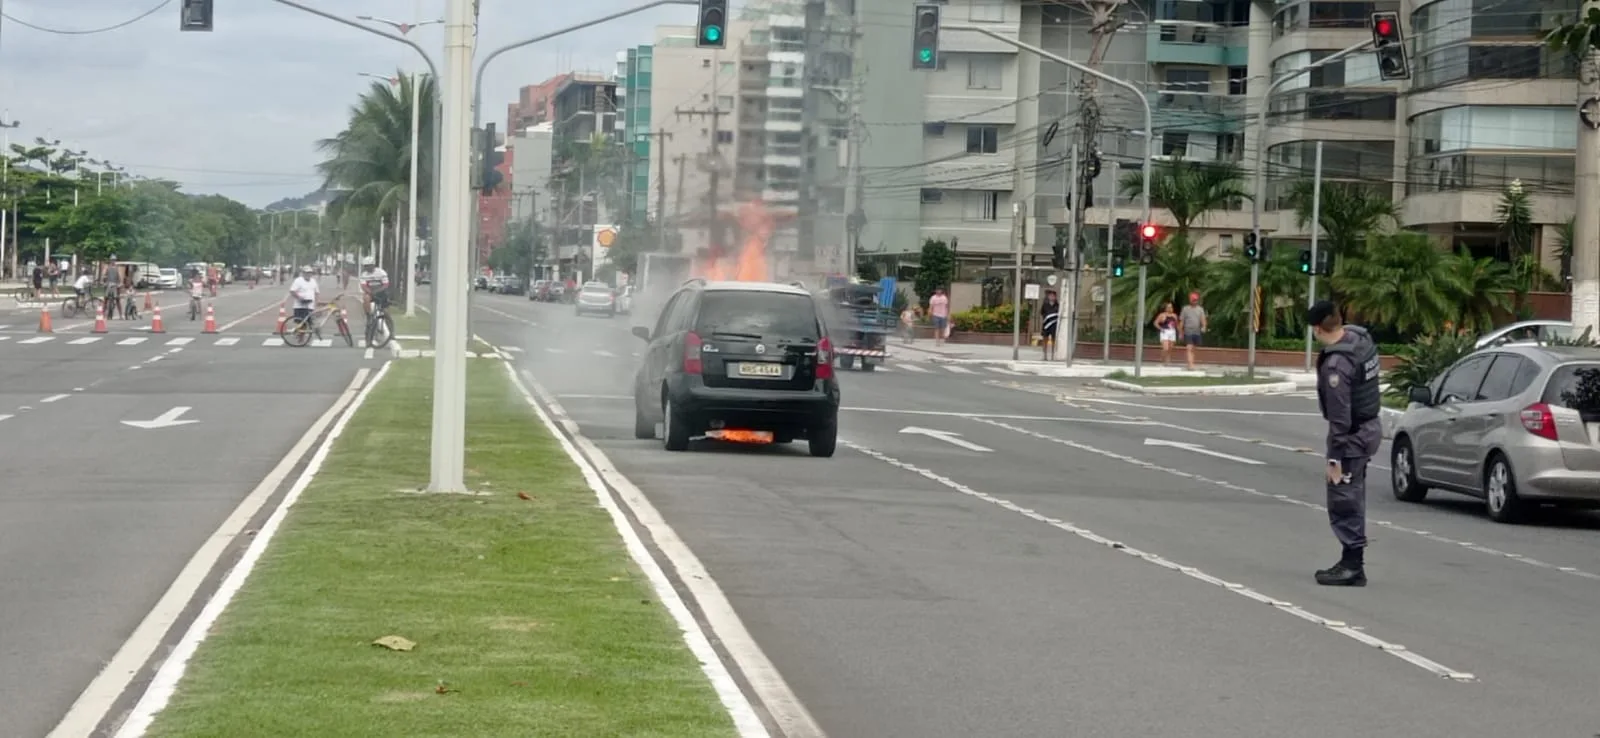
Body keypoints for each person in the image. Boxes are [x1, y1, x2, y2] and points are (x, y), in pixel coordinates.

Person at [1309, 300, 1383, 587]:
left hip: (1352, 435)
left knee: (1344, 496)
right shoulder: (1359, 339)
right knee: (1354, 494)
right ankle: (1351, 560)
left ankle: (1353, 565)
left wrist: (1335, 459)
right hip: (1370, 426)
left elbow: (1340, 418)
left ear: (1317, 329)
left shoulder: (1337, 365)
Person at [1179, 291, 1207, 370]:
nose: (1195, 301)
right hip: (1188, 332)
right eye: (1193, 299)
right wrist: (1180, 332)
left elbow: (1203, 319)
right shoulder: (1185, 309)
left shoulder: (1200, 309)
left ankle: (1191, 363)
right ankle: (1190, 365)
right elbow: (1181, 321)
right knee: (1189, 348)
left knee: (1193, 349)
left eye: (1196, 300)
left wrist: (1204, 326)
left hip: (1197, 332)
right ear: (1190, 300)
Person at [1040, 290, 1060, 360]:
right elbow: (1042, 312)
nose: (1052, 297)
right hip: (1046, 325)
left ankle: (1053, 355)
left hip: (1054, 325)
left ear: (1055, 297)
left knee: (1054, 340)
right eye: (1050, 295)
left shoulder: (1057, 305)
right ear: (1048, 297)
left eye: (1053, 296)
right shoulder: (1045, 305)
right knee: (1045, 339)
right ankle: (1044, 355)